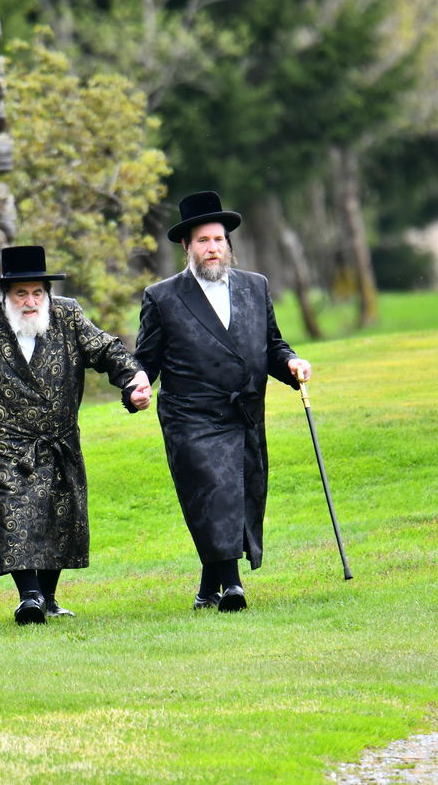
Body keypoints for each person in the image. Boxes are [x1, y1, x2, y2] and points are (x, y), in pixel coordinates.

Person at [0, 245, 152, 625]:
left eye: (37, 292)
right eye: (21, 293)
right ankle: (29, 596)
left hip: (58, 438)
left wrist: (133, 380)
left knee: (57, 514)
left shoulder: (67, 314)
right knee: (13, 511)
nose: (30, 301)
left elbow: (105, 349)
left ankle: (48, 597)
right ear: (4, 295)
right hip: (0, 443)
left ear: (47, 293)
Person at [134, 191, 311, 612]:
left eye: (218, 240)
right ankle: (232, 587)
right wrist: (137, 383)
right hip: (190, 416)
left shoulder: (255, 286)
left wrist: (292, 363)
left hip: (244, 412)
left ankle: (207, 588)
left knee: (239, 494)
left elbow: (271, 346)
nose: (212, 248)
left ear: (228, 244)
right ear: (186, 247)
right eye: (203, 241)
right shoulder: (163, 296)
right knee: (214, 491)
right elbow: (146, 357)